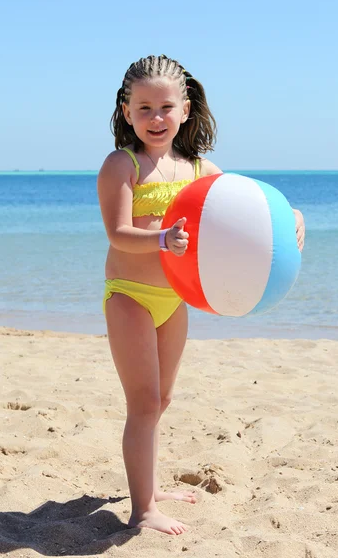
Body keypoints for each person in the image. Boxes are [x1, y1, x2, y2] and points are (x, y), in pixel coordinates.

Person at [97, 55, 305, 536]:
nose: (155, 118)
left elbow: (245, 208)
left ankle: (148, 486)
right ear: (126, 111)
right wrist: (162, 239)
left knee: (163, 399)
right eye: (143, 107)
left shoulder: (198, 168)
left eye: (165, 107)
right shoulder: (120, 165)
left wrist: (292, 213)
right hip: (129, 295)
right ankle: (143, 509)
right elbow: (118, 233)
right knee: (143, 403)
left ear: (185, 110)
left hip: (175, 299)